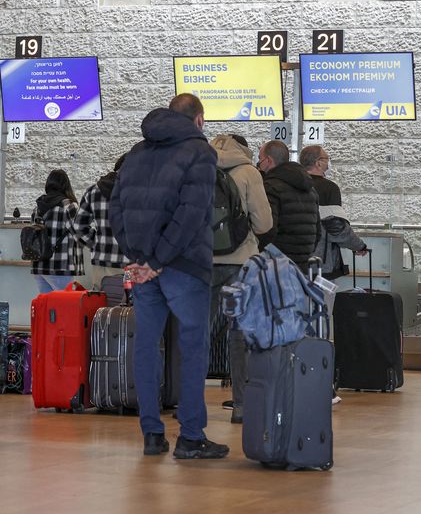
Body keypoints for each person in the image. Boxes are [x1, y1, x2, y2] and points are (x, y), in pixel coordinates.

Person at [110, 93, 229, 459]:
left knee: (146, 346)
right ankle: (191, 437)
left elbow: (115, 206)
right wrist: (160, 259)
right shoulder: (200, 152)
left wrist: (139, 257)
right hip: (183, 266)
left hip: (145, 268)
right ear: (199, 120)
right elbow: (192, 214)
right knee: (192, 348)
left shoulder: (136, 153)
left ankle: (151, 434)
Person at [209, 133, 273, 424]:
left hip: (203, 262)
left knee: (197, 333)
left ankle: (186, 403)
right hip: (239, 262)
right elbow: (263, 225)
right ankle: (241, 405)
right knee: (240, 333)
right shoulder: (249, 172)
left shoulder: (198, 167)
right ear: (244, 149)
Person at [299, 145, 367, 280]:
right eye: (327, 159)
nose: (329, 163)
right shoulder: (329, 188)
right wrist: (358, 245)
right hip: (320, 263)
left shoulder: (292, 185)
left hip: (291, 262)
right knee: (322, 300)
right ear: (318, 163)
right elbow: (335, 227)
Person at [256, 140, 320, 273]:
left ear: (268, 160)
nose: (258, 165)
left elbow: (268, 228)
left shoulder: (270, 187)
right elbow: (318, 230)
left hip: (277, 264)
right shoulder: (310, 189)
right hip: (303, 263)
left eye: (260, 159)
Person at [71, 155, 130, 290]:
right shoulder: (136, 191)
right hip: (129, 263)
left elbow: (78, 227)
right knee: (127, 309)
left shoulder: (93, 191)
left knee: (101, 306)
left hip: (101, 262)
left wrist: (96, 243)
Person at [31, 169, 85, 293]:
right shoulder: (69, 206)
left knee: (47, 307)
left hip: (39, 266)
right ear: (66, 185)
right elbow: (81, 233)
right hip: (60, 266)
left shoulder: (37, 207)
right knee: (65, 306)